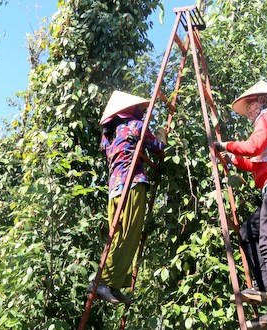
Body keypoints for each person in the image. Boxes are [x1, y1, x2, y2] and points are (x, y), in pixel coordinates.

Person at [215, 80, 267, 329]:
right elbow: (256, 163)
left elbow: (253, 148)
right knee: (249, 231)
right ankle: (264, 288)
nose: (250, 113)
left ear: (262, 101)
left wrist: (225, 145)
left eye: (251, 106)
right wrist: (232, 159)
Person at [87, 91, 166, 304]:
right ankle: (102, 282)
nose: (142, 112)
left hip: (114, 189)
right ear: (129, 111)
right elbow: (159, 149)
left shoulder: (108, 136)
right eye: (140, 109)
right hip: (132, 183)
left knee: (118, 233)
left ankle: (113, 284)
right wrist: (161, 135)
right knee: (129, 233)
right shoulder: (135, 126)